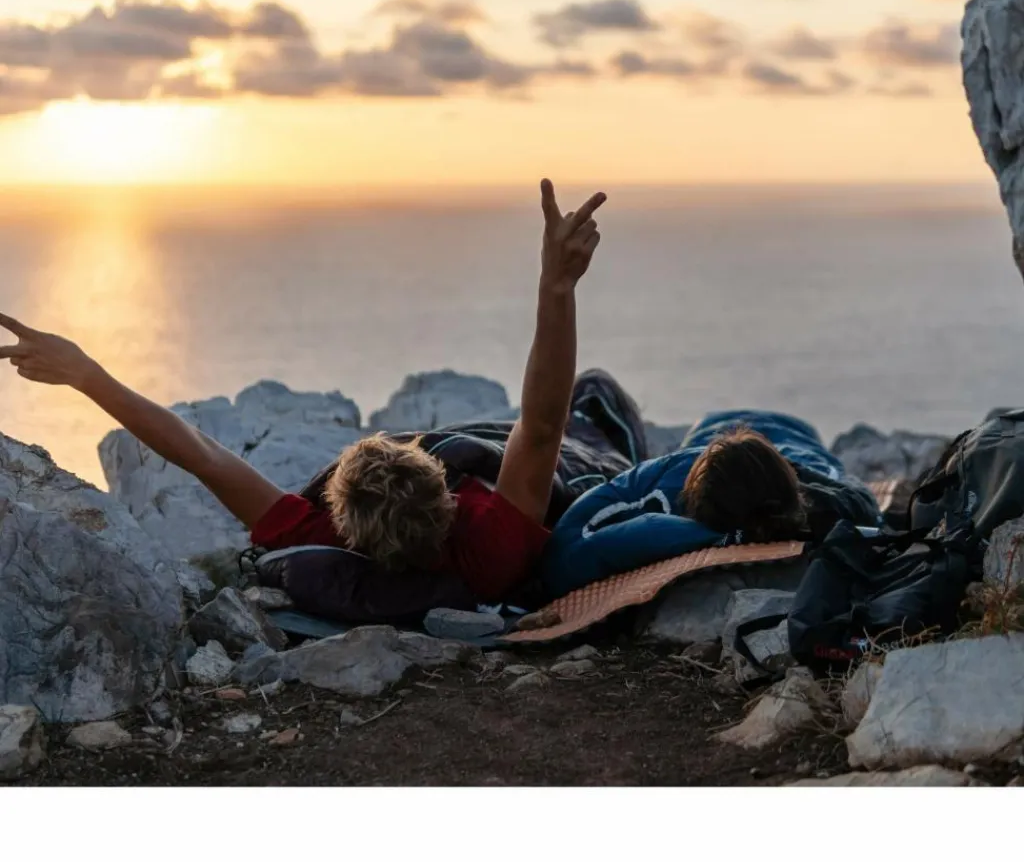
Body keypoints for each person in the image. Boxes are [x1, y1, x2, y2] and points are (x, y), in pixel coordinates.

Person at [0, 179, 606, 611]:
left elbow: (201, 454)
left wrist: (86, 375)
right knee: (596, 397)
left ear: (345, 524)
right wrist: (557, 287)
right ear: (446, 493)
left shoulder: (315, 539)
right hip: (580, 465)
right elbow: (542, 426)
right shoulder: (492, 548)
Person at [539, 409, 881, 599]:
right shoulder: (667, 498)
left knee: (826, 486)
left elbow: (865, 505)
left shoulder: (804, 489)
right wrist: (726, 537)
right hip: (716, 437)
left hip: (794, 443)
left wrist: (795, 482)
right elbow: (565, 559)